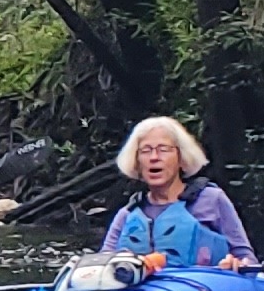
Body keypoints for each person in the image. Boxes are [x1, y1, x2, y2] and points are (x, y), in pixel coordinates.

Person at [99, 115, 252, 271]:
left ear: (181, 158)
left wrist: (237, 265)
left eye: (163, 149)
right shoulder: (126, 215)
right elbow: (102, 269)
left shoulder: (212, 199)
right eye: (145, 151)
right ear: (137, 162)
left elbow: (247, 259)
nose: (154, 157)